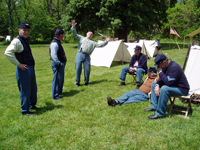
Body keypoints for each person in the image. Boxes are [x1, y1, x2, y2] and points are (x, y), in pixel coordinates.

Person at [4, 22, 37, 116]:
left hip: (30, 68)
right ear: (19, 30)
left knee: (33, 89)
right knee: (25, 90)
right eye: (24, 30)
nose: (26, 32)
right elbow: (7, 52)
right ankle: (25, 110)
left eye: (28, 30)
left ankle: (32, 105)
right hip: (24, 70)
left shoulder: (24, 40)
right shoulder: (17, 41)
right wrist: (18, 64)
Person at [144, 54, 190, 119]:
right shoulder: (165, 67)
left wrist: (160, 72)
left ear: (164, 62)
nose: (159, 68)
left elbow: (169, 83)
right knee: (154, 84)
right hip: (174, 86)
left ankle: (160, 113)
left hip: (182, 89)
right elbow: (162, 79)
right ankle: (154, 106)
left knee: (164, 89)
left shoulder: (174, 67)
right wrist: (157, 85)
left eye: (159, 66)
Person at [71, 20, 111, 87]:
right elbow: (74, 34)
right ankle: (77, 83)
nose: (90, 34)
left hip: (87, 56)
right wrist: (73, 27)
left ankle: (86, 82)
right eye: (89, 33)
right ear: (87, 33)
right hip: (80, 54)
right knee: (78, 68)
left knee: (87, 69)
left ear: (92, 36)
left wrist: (106, 41)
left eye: (91, 34)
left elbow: (100, 45)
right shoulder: (81, 38)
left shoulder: (93, 42)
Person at [49, 29, 67, 100]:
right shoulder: (54, 43)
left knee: (60, 79)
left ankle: (59, 92)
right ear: (60, 35)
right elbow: (53, 55)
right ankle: (55, 96)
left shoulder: (57, 42)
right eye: (63, 35)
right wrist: (58, 63)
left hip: (60, 64)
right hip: (57, 64)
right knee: (56, 80)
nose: (63, 36)